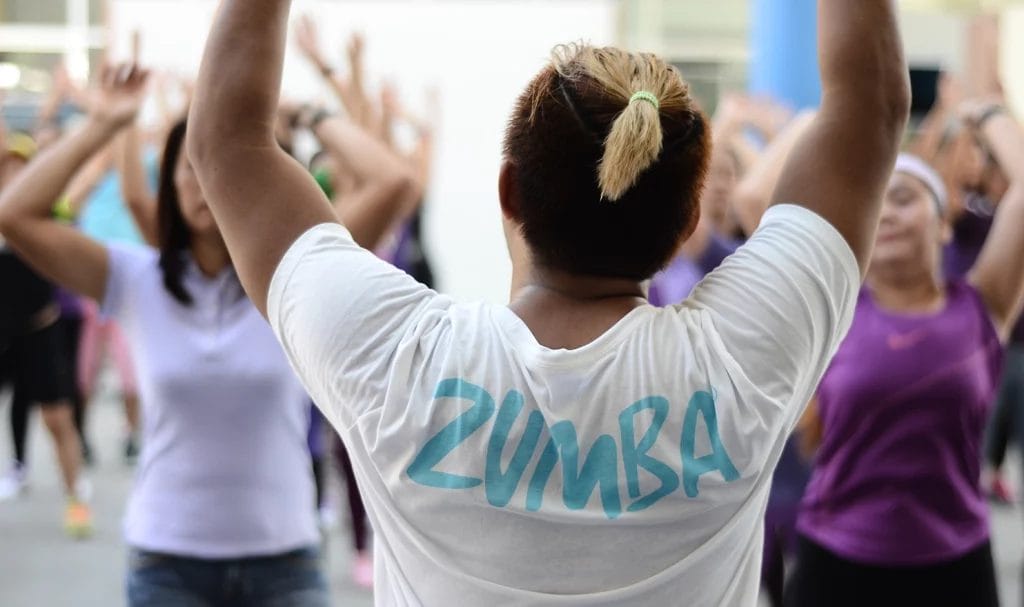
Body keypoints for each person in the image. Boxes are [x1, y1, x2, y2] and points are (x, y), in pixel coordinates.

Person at [187, 1, 909, 604]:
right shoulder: (739, 362)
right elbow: (870, 107)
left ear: (508, 191)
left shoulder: (395, 359)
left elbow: (225, 142)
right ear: (687, 223)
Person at [0, 64, 354, 606]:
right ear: (168, 183)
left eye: (220, 166)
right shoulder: (134, 277)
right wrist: (103, 123)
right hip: (167, 564)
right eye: (188, 166)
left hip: (286, 561)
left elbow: (394, 184)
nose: (203, 181)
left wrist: (311, 114)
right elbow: (15, 214)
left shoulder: (294, 283)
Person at [788, 138, 1024, 605]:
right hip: (835, 561)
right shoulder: (831, 314)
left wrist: (984, 118)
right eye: (874, 203)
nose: (886, 214)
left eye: (902, 198)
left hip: (955, 564)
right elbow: (762, 201)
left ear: (943, 225)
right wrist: (814, 127)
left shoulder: (979, 308)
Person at [0, 132, 90, 535]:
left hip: (40, 328)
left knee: (57, 418)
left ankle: (76, 499)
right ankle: (18, 469)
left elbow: (81, 187)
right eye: (8, 166)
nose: (14, 173)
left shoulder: (45, 213)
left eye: (22, 167)